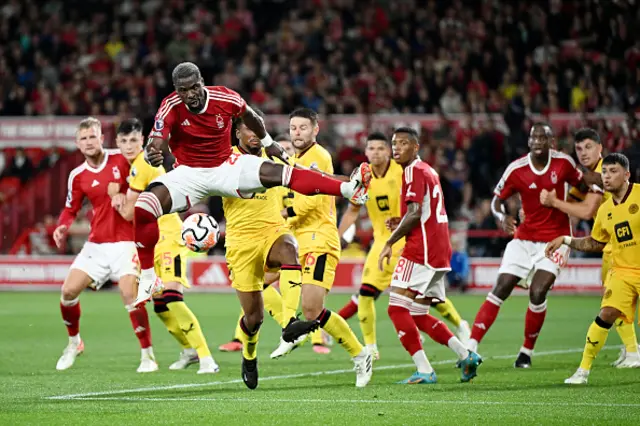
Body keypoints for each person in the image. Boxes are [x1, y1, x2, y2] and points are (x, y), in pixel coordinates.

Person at [133, 62, 371, 306]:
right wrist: (153, 151)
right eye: (183, 90)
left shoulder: (225, 98)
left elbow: (250, 116)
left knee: (283, 174)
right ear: (176, 90)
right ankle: (150, 279)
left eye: (194, 87)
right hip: (189, 174)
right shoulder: (170, 105)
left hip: (225, 166)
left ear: (202, 82)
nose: (190, 94)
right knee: (144, 207)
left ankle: (348, 189)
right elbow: (157, 138)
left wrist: (269, 143)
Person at [468, 123, 593, 368]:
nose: (537, 141)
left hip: (555, 239)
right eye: (533, 137)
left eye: (542, 137)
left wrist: (571, 208)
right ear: (528, 142)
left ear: (551, 142)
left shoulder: (564, 163)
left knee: (537, 291)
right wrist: (501, 216)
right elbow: (496, 201)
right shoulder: (516, 169)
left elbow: (584, 186)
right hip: (524, 239)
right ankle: (470, 347)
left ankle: (526, 352)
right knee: (501, 287)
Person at [336, 132, 470, 359]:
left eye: (381, 148)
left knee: (422, 299)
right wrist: (338, 236)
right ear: (366, 152)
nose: (376, 152)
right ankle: (371, 347)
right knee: (366, 294)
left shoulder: (404, 171)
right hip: (381, 243)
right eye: (372, 149)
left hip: (406, 240)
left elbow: (416, 207)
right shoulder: (364, 177)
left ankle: (460, 324)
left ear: (388, 152)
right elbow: (353, 210)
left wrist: (402, 221)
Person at [269, 108, 373, 388]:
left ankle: (360, 354)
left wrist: (283, 215)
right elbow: (282, 195)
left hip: (318, 238)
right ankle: (291, 328)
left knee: (313, 310)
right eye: (293, 128)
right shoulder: (291, 159)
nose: (297, 133)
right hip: (292, 239)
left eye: (303, 128)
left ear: (315, 130)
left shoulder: (319, 157)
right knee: (256, 281)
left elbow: (311, 200)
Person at [113, 118, 218, 374]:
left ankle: (207, 359)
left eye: (134, 141)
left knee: (172, 297)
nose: (129, 146)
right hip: (154, 242)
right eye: (124, 141)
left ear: (143, 141)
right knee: (160, 305)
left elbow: (130, 214)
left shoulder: (141, 165)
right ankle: (190, 350)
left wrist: (114, 197)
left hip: (168, 236)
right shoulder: (134, 167)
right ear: (117, 142)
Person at [53, 117, 156, 373]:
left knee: (128, 293)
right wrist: (62, 225)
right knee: (67, 292)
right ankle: (74, 342)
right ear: (77, 143)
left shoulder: (123, 159)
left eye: (93, 137)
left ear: (102, 138)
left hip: (127, 241)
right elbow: (70, 208)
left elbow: (143, 179)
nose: (89, 142)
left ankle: (148, 355)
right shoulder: (77, 176)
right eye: (83, 138)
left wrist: (126, 195)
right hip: (97, 243)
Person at [379, 127, 481, 384]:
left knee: (396, 309)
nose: (397, 148)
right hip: (437, 249)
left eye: (403, 143)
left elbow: (415, 214)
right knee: (418, 314)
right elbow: (421, 212)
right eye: (394, 143)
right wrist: (400, 221)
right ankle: (465, 354)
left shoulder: (413, 171)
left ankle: (424, 369)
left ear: (416, 147)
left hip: (421, 249)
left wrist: (390, 241)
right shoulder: (428, 170)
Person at [218, 134, 333, 355]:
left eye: (289, 148)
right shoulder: (267, 171)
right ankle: (248, 338)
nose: (286, 151)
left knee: (311, 292)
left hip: (296, 236)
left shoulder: (289, 169)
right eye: (285, 146)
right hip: (271, 234)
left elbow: (307, 200)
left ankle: (312, 336)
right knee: (255, 290)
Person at [539, 128, 640, 368]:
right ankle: (632, 350)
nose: (583, 153)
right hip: (612, 244)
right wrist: (538, 208)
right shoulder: (592, 176)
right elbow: (572, 202)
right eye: (579, 149)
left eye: (588, 147)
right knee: (613, 302)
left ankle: (633, 350)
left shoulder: (603, 174)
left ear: (600, 148)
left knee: (613, 303)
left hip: (620, 247)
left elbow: (585, 211)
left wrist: (554, 202)